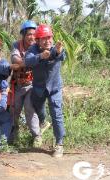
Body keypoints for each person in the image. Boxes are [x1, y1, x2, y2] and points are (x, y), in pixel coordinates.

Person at [24, 24, 66, 157]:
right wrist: (40, 56)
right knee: (36, 105)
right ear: (37, 40)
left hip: (54, 88)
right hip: (39, 88)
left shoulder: (55, 49)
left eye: (49, 38)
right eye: (44, 38)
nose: (48, 41)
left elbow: (59, 56)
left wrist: (58, 52)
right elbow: (28, 61)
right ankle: (43, 121)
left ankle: (59, 144)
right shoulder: (33, 49)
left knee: (56, 113)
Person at [9, 20, 43, 147]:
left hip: (32, 85)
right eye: (29, 34)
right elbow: (15, 59)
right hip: (17, 85)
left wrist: (24, 63)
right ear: (23, 35)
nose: (32, 37)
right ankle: (13, 137)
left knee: (30, 109)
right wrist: (31, 61)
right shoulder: (17, 45)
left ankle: (36, 136)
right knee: (13, 111)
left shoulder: (38, 47)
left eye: (34, 34)